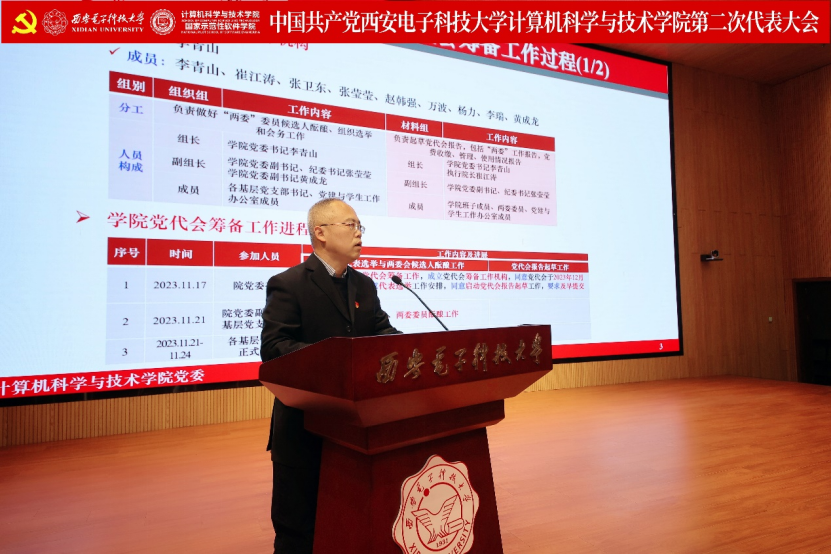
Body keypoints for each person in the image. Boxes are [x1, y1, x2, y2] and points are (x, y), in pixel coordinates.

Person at [260, 198, 400, 553]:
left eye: (359, 226)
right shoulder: (288, 284)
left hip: (355, 428)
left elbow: (383, 335)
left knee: (349, 523)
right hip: (305, 426)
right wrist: (336, 359)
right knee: (299, 532)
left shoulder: (365, 285)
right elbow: (274, 348)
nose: (359, 233)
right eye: (350, 225)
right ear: (320, 233)